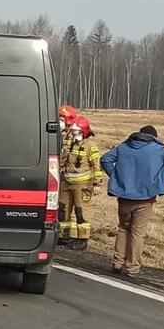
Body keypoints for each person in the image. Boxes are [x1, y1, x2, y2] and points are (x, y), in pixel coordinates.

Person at [99, 124, 164, 277]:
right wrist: (161, 179)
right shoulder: (158, 149)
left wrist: (116, 178)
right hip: (146, 198)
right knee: (138, 233)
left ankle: (117, 263)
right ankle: (132, 268)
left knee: (123, 228)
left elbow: (105, 159)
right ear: (154, 137)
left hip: (124, 197)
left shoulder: (124, 147)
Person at [56, 105, 104, 249]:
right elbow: (63, 159)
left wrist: (97, 184)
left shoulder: (90, 146)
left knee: (80, 210)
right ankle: (63, 236)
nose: (73, 134)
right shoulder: (69, 143)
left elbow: (97, 166)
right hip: (66, 181)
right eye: (72, 131)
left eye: (76, 132)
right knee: (63, 208)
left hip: (82, 184)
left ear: (83, 131)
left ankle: (82, 239)